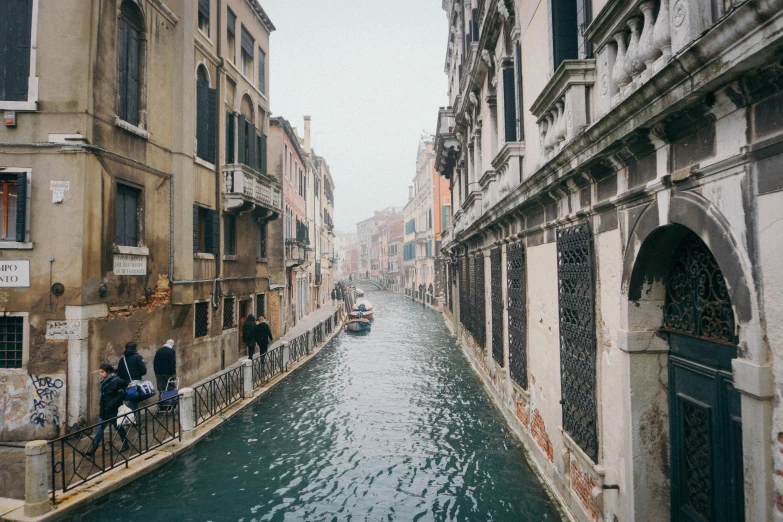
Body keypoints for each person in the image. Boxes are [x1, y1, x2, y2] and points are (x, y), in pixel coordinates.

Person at [86, 364, 129, 456]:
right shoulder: (104, 381)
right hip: (104, 409)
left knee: (118, 426)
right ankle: (93, 449)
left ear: (108, 372)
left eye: (102, 372)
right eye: (100, 372)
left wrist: (112, 403)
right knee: (99, 428)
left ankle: (125, 443)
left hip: (114, 409)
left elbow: (122, 395)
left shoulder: (118, 381)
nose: (101, 374)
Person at [117, 342, 146, 411]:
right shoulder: (138, 357)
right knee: (133, 401)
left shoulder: (122, 359)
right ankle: (132, 418)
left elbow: (119, 373)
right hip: (135, 383)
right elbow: (143, 371)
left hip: (125, 384)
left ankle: (128, 416)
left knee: (128, 400)